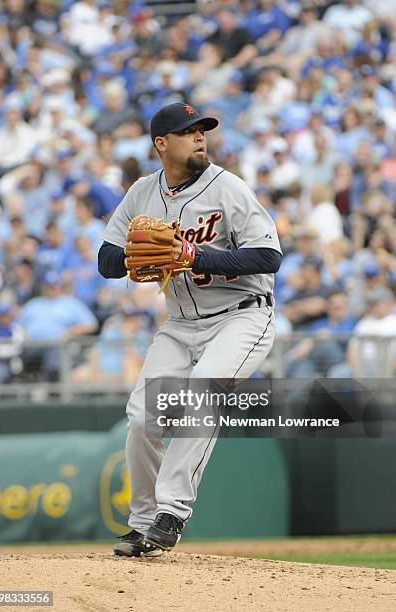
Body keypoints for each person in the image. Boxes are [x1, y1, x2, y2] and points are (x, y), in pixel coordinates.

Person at [98, 102, 282, 557]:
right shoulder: (142, 192)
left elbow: (268, 256)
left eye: (202, 130)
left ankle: (172, 512)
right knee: (142, 416)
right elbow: (105, 260)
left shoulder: (229, 188)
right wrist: (135, 258)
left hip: (242, 316)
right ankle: (143, 523)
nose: (200, 137)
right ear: (162, 144)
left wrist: (194, 257)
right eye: (188, 132)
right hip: (180, 324)